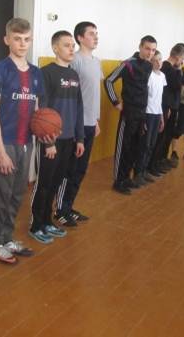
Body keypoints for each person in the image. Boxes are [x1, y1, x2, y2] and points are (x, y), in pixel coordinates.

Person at [0, 18, 43, 263]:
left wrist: (45, 129)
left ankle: (7, 237)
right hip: (5, 142)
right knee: (2, 194)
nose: (22, 44)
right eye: (17, 39)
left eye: (26, 39)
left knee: (18, 192)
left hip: (26, 142)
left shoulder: (36, 73)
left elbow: (37, 108)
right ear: (7, 40)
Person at [29, 31, 84, 244]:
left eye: (72, 45)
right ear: (55, 48)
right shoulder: (46, 73)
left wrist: (80, 138)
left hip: (69, 139)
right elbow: (41, 109)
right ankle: (36, 224)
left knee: (56, 182)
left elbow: (79, 108)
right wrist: (49, 142)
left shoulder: (74, 75)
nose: (71, 49)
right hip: (50, 140)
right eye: (66, 45)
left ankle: (47, 221)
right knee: (44, 183)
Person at [55, 21, 103, 226]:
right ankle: (60, 209)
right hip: (76, 124)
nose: (96, 37)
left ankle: (68, 206)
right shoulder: (74, 60)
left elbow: (94, 94)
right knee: (70, 168)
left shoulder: (97, 61)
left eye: (96, 33)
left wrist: (96, 119)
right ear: (80, 38)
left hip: (90, 122)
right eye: (91, 33)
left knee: (81, 169)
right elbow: (69, 94)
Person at [104, 35, 156, 194]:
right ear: (140, 47)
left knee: (135, 148)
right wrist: (115, 102)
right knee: (124, 147)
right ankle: (118, 181)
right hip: (128, 113)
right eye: (147, 49)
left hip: (142, 113)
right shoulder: (128, 64)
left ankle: (126, 178)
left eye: (153, 50)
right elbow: (108, 81)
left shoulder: (149, 66)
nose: (150, 53)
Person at [150, 43, 184, 173]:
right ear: (178, 56)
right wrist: (179, 69)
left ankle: (162, 159)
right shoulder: (166, 67)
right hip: (165, 106)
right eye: (182, 58)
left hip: (172, 106)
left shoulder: (173, 68)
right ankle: (154, 162)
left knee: (168, 135)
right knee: (161, 136)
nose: (182, 62)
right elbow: (177, 85)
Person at [137, 50, 166, 184]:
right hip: (147, 114)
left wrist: (161, 117)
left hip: (156, 114)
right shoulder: (148, 75)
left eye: (160, 60)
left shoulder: (162, 76)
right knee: (145, 144)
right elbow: (144, 97)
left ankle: (145, 170)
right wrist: (143, 118)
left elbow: (159, 99)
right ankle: (138, 172)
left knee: (152, 145)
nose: (158, 63)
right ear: (151, 62)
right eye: (155, 60)